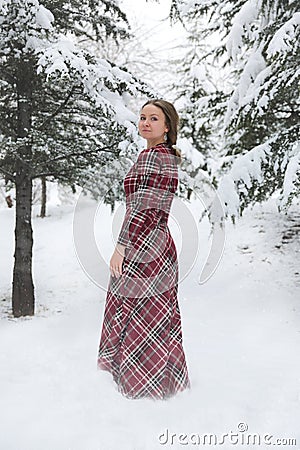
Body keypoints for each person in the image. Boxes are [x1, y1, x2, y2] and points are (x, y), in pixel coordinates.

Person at [97, 99, 190, 399]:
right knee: (155, 315)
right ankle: (164, 386)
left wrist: (121, 247)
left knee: (137, 312)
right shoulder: (164, 156)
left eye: (153, 118)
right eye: (142, 117)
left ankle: (138, 389)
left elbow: (141, 208)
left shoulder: (153, 158)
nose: (145, 123)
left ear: (167, 126)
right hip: (159, 244)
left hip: (143, 246)